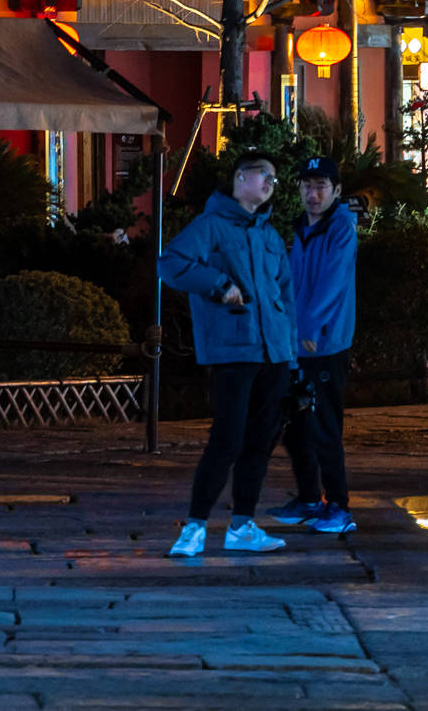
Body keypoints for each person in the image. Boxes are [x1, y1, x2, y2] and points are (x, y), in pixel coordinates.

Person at [156, 151, 297, 558]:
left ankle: (242, 525)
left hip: (273, 355)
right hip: (234, 350)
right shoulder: (211, 226)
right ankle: (195, 526)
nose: (271, 184)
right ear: (240, 179)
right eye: (264, 176)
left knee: (260, 442)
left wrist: (291, 356)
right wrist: (218, 283)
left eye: (274, 179)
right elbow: (171, 263)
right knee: (227, 440)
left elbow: (284, 296)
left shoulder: (269, 235)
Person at [269, 155, 357, 534]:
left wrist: (309, 324)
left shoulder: (341, 227)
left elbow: (333, 282)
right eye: (307, 186)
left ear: (336, 191)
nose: (313, 193)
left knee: (324, 425)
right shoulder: (301, 227)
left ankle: (339, 506)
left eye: (321, 186)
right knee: (296, 425)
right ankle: (309, 498)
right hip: (296, 342)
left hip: (325, 342)